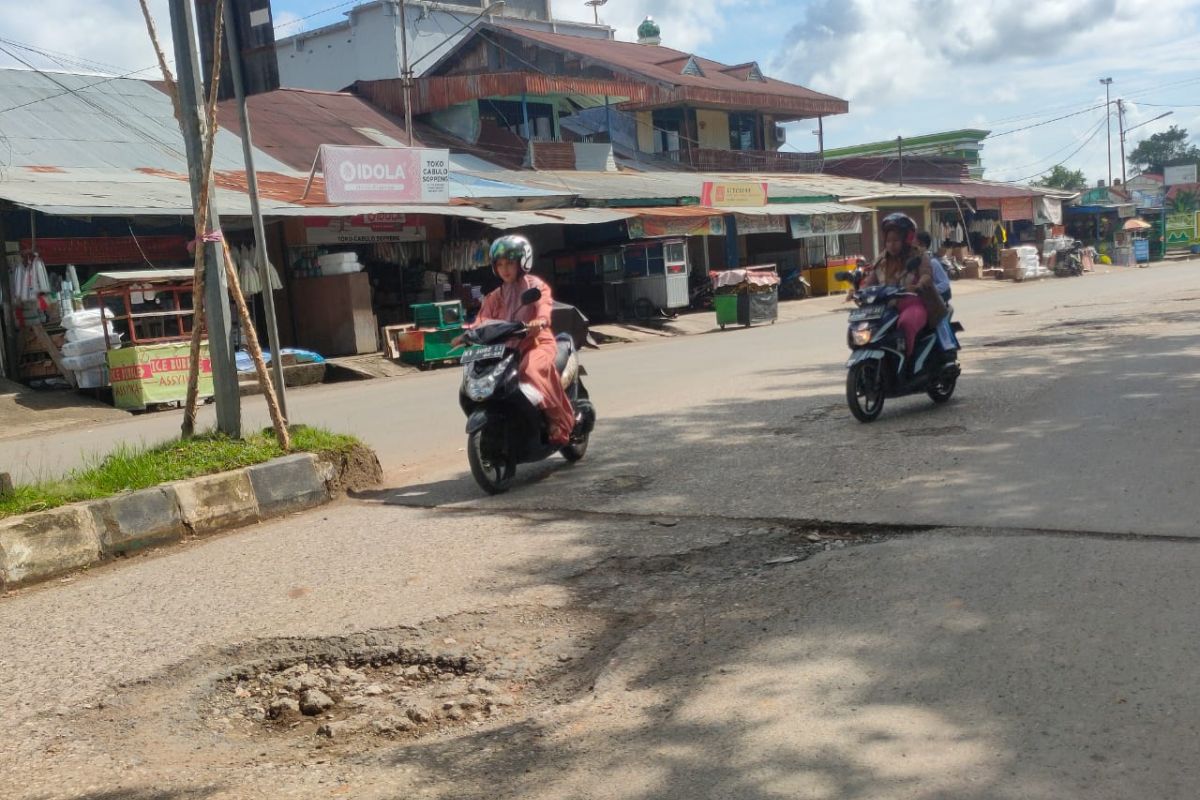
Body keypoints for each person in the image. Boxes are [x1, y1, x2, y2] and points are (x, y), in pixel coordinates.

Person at [455, 235, 575, 446]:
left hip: (536, 342)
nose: (505, 269)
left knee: (529, 371)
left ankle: (557, 420)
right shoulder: (494, 296)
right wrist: (466, 334)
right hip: (505, 349)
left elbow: (543, 306)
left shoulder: (535, 286)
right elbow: (482, 320)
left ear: (522, 262)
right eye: (500, 264)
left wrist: (540, 321)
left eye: (509, 263)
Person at [861, 213, 936, 362]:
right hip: (885, 307)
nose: (891, 244)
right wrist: (860, 292)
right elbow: (870, 281)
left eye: (896, 240)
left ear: (906, 239)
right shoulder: (881, 260)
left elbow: (926, 275)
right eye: (889, 241)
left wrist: (919, 285)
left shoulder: (918, 256)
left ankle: (907, 361)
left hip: (912, 304)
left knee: (906, 323)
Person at [916, 231, 952, 303]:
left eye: (921, 245)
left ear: (925, 247)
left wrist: (931, 291)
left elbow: (945, 283)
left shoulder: (932, 263)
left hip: (930, 300)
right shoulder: (910, 263)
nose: (918, 248)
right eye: (916, 245)